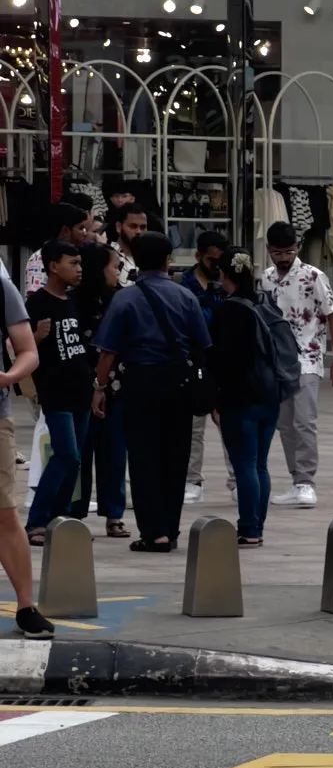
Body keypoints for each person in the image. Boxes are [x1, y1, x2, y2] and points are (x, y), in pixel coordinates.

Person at [89, 230, 209, 552]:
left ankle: (153, 532)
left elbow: (108, 353)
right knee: (175, 457)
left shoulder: (124, 299)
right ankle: (170, 528)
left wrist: (100, 388)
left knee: (143, 459)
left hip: (140, 383)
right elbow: (202, 346)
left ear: (136, 262)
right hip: (179, 384)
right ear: (168, 261)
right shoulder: (185, 297)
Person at [262, 221, 333, 508]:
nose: (283, 258)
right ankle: (296, 479)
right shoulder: (266, 279)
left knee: (305, 421)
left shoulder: (313, 276)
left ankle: (307, 482)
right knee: (285, 425)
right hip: (277, 362)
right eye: (277, 252)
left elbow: (332, 314)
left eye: (288, 251)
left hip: (308, 358)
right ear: (269, 250)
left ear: (297, 248)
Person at [209, 250, 283, 545]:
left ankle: (249, 527)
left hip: (241, 397)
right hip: (270, 394)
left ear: (224, 275)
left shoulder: (228, 311)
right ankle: (257, 527)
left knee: (245, 464)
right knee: (260, 464)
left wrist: (216, 399)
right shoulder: (264, 303)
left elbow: (223, 360)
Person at [23, 241, 92, 544]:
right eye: (72, 263)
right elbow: (20, 350)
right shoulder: (37, 303)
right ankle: (37, 521)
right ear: (53, 266)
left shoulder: (74, 301)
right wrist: (37, 337)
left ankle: (61, 520)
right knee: (65, 453)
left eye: (80, 264)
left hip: (81, 391)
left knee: (74, 460)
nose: (79, 269)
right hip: (55, 392)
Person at [0, 259, 53, 636]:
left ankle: (25, 605)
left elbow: (28, 350)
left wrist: (8, 378)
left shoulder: (2, 288)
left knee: (4, 513)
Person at [69, 243, 129, 539]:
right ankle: (75, 514)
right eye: (114, 266)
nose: (118, 272)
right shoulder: (72, 302)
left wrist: (104, 385)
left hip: (116, 388)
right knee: (80, 454)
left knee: (115, 455)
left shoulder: (120, 300)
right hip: (81, 389)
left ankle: (114, 514)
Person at [184, 230, 234, 503]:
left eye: (220, 261)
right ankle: (192, 480)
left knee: (228, 423)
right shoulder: (185, 284)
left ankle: (236, 480)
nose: (216, 266)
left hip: (222, 359)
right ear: (199, 256)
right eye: (211, 260)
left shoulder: (227, 283)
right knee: (194, 426)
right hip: (195, 359)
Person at [23, 203, 91, 294]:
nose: (85, 233)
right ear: (65, 231)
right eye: (81, 228)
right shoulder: (39, 259)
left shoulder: (80, 254)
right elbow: (36, 301)